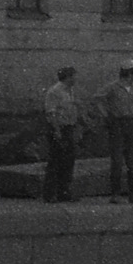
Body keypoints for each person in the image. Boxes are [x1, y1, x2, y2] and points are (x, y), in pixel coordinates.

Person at [102, 58, 133, 203]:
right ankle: (115, 194)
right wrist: (106, 115)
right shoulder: (112, 87)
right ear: (128, 73)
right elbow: (98, 99)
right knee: (117, 160)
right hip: (117, 124)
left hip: (132, 124)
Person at [41, 66, 81, 202]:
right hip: (58, 127)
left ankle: (64, 192)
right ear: (68, 77)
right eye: (74, 76)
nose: (76, 78)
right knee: (55, 161)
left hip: (69, 127)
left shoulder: (70, 91)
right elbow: (51, 113)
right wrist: (57, 130)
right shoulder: (55, 92)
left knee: (68, 161)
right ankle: (50, 194)